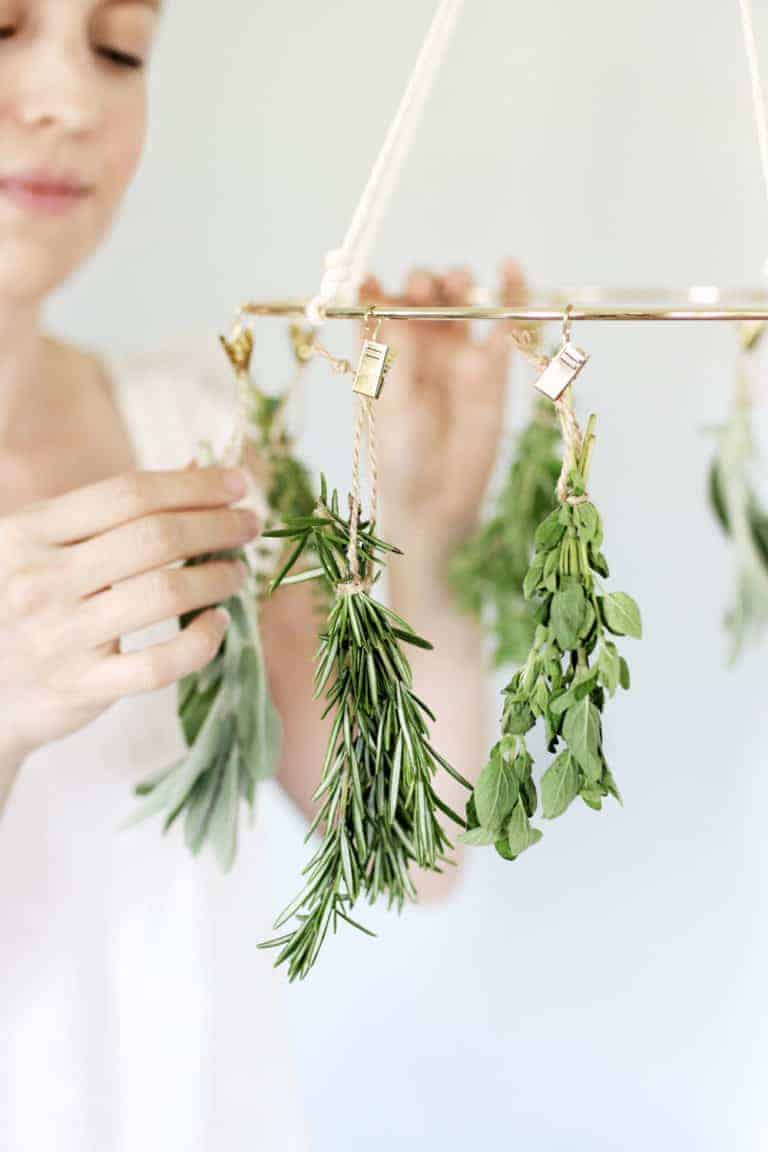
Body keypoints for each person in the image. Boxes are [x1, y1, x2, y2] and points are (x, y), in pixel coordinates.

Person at [0, 2, 523, 1148]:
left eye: (119, 47)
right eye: (2, 28)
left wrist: (421, 542)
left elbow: (407, 850)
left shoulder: (193, 425)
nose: (71, 100)